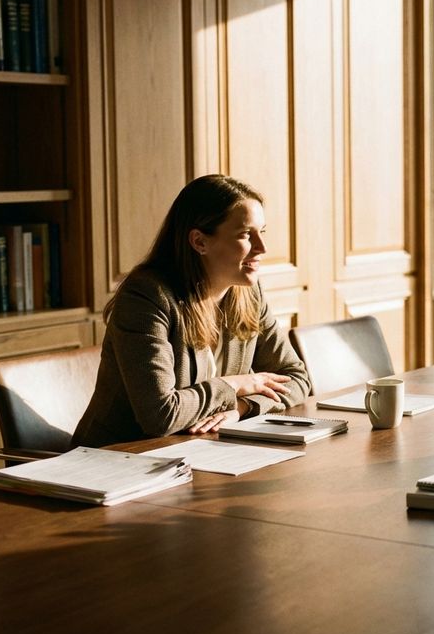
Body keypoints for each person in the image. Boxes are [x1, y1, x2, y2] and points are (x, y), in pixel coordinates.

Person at [73, 175, 311, 447]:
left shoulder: (248, 293)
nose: (262, 248)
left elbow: (296, 379)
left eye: (262, 232)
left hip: (198, 453)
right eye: (246, 234)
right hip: (119, 461)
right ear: (199, 241)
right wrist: (234, 385)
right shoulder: (146, 297)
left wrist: (242, 408)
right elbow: (160, 415)